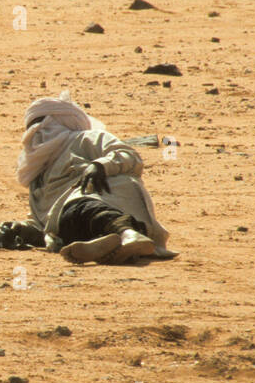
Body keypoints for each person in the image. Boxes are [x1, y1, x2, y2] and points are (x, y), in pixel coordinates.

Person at [18, 91, 175, 264]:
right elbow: (41, 219)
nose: (37, 135)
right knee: (67, 222)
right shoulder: (38, 174)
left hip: (110, 195)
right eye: (32, 129)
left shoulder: (86, 138)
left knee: (81, 207)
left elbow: (130, 156)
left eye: (43, 126)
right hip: (68, 214)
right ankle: (109, 246)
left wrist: (99, 166)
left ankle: (128, 234)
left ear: (62, 122)